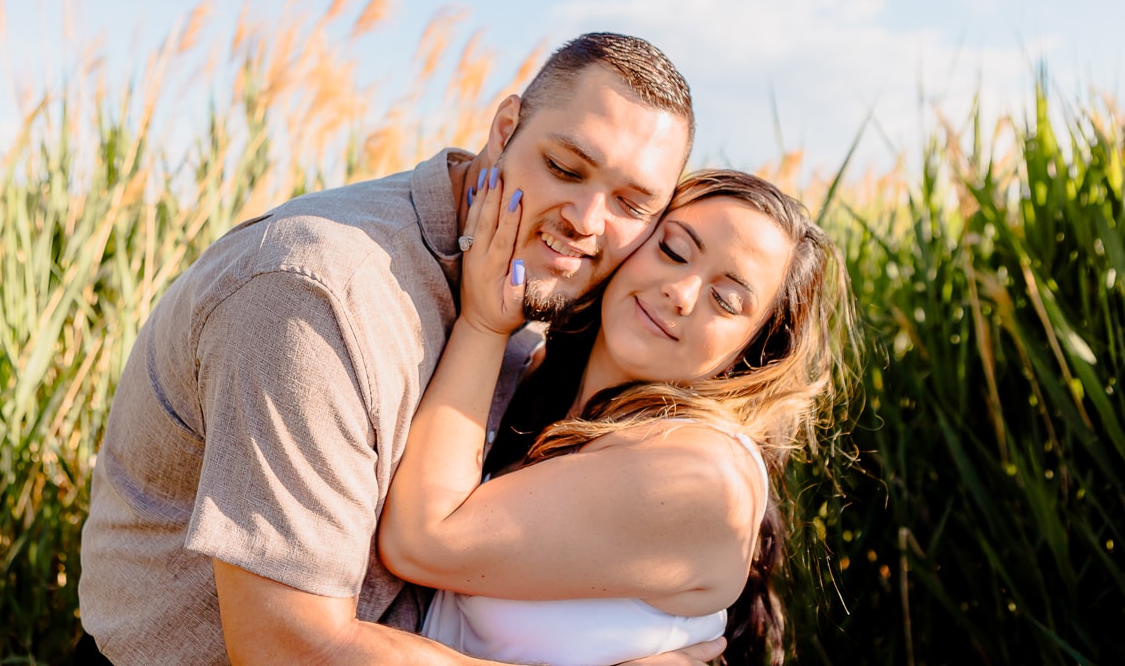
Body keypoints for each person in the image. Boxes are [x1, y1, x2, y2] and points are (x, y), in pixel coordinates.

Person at [76, 32, 728, 665]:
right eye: (564, 168)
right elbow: (289, 647)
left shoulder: (534, 293)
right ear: (505, 130)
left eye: (632, 204)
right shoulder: (320, 296)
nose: (586, 221)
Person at [379, 168, 859, 666]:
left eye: (726, 300)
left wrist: (483, 323)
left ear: (752, 353)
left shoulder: (705, 475)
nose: (682, 293)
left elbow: (422, 539)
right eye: (673, 250)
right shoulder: (531, 376)